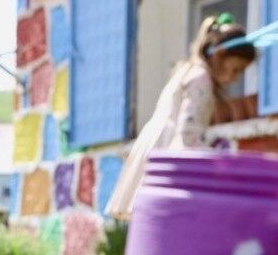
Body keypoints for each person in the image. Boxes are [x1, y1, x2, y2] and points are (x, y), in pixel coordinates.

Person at [105, 14, 258, 218]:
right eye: (235, 69)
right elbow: (188, 132)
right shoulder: (201, 79)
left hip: (157, 144)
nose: (235, 77)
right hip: (169, 149)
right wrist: (204, 170)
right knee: (166, 215)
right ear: (219, 55)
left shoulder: (188, 70)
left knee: (151, 217)